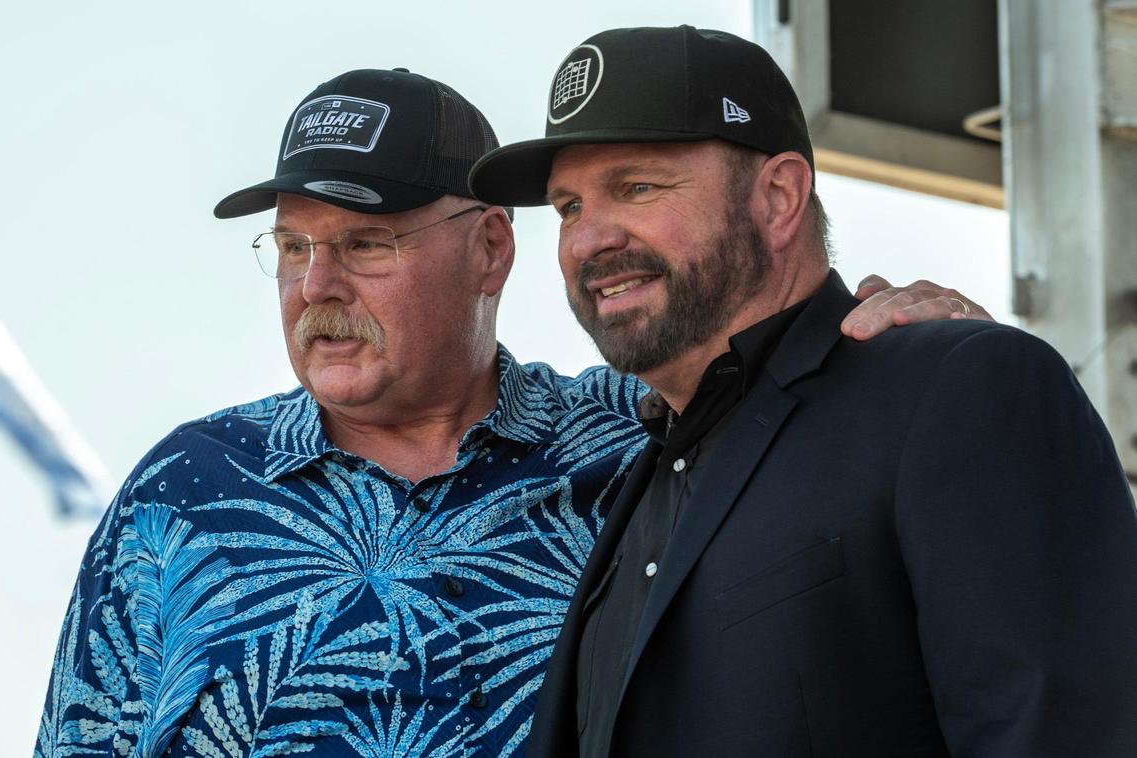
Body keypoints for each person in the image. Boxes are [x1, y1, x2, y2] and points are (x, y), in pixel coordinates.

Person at [36, 68, 986, 758]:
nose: (315, 285)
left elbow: (832, 421)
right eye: (291, 246)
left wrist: (913, 344)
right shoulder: (184, 489)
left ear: (491, 247)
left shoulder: (647, 440)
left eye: (365, 243)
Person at [468, 25, 1137, 758]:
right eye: (568, 207)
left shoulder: (956, 387)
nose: (588, 239)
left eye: (636, 187)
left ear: (780, 197)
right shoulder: (638, 471)